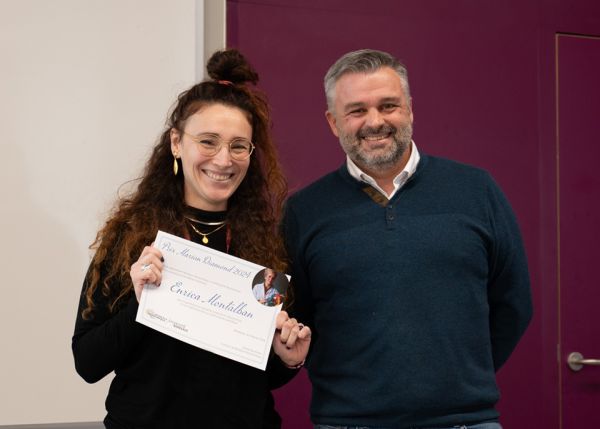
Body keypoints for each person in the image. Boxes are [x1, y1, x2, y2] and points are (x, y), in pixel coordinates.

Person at [283, 49, 532, 429]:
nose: (375, 121)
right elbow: (296, 319)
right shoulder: (304, 211)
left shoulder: (477, 190)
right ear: (334, 123)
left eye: (388, 106)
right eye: (357, 111)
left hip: (465, 422)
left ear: (410, 109)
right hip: (347, 422)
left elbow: (513, 305)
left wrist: (458, 375)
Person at [72, 49, 311, 429]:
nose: (223, 159)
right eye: (208, 141)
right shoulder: (130, 237)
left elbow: (258, 377)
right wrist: (139, 303)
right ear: (175, 143)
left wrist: (287, 358)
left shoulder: (269, 245)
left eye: (238, 145)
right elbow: (87, 362)